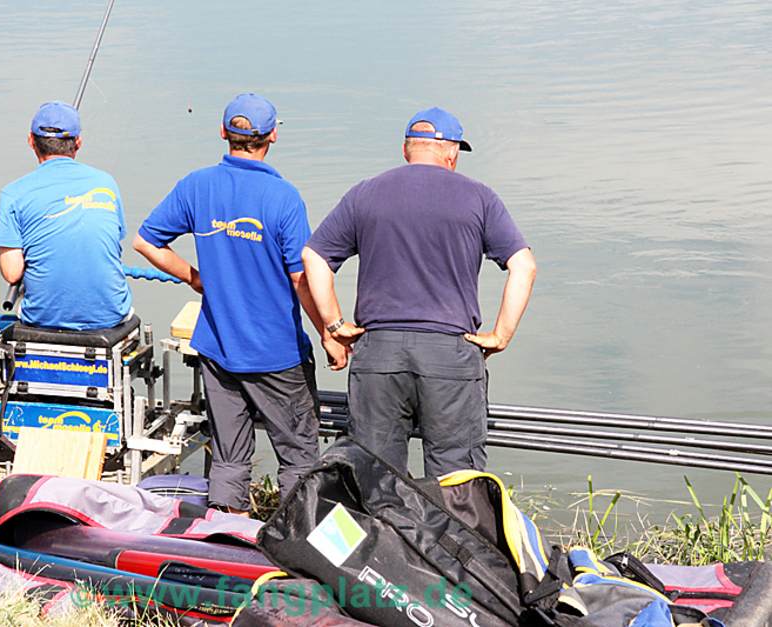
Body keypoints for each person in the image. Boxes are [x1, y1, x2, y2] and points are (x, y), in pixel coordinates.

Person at [134, 93, 345, 514]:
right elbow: (301, 278)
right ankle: (297, 537)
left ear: (223, 133)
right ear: (273, 136)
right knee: (299, 456)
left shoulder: (197, 185)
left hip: (219, 348)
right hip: (277, 353)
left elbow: (146, 241)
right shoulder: (283, 197)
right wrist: (329, 333)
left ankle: (227, 534)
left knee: (229, 457)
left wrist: (196, 278)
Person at [302, 106, 537, 477]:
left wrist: (334, 323)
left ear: (406, 150)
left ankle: (385, 534)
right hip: (451, 353)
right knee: (456, 478)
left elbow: (313, 257)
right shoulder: (480, 197)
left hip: (379, 353)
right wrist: (501, 334)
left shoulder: (365, 193)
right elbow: (523, 266)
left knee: (375, 475)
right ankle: (448, 536)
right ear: (451, 151)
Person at [0, 101, 132, 331]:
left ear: (31, 141)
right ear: (78, 143)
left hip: (42, 318)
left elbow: (11, 272)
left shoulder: (14, 193)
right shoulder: (106, 183)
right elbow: (114, 245)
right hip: (111, 315)